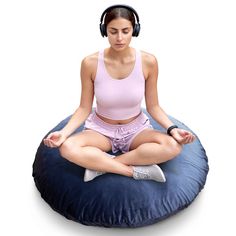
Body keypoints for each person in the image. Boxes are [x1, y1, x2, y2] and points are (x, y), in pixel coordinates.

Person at [43, 4, 195, 183]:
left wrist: (173, 129)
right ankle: (133, 172)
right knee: (67, 148)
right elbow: (84, 108)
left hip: (136, 130)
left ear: (135, 30)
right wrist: (64, 133)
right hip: (100, 131)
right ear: (104, 31)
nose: (120, 38)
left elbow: (153, 106)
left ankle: (101, 167)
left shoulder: (149, 62)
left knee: (172, 146)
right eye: (113, 31)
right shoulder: (89, 63)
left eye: (126, 31)